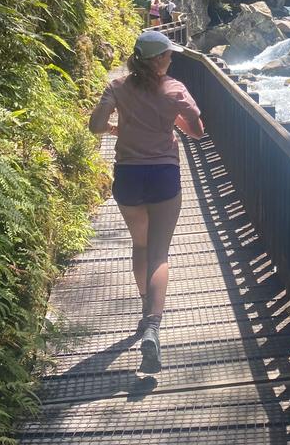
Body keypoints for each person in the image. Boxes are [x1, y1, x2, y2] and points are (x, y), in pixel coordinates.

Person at [88, 30, 205, 373]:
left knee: (140, 245)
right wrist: (173, 121)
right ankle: (152, 325)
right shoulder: (174, 89)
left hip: (128, 177)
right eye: (168, 56)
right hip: (163, 176)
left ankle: (145, 307)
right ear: (157, 60)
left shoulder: (118, 87)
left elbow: (96, 125)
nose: (171, 59)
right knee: (159, 253)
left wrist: (115, 130)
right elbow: (197, 129)